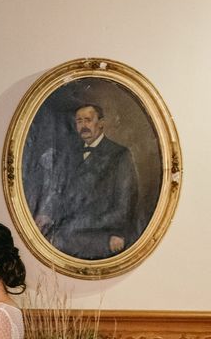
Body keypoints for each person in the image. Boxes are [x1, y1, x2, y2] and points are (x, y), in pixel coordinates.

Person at [35, 103, 139, 259]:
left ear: (101, 123)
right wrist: (47, 214)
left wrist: (115, 233)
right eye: (79, 121)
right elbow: (61, 194)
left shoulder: (119, 155)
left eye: (88, 120)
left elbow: (124, 208)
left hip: (101, 236)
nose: (83, 126)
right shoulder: (70, 154)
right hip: (67, 235)